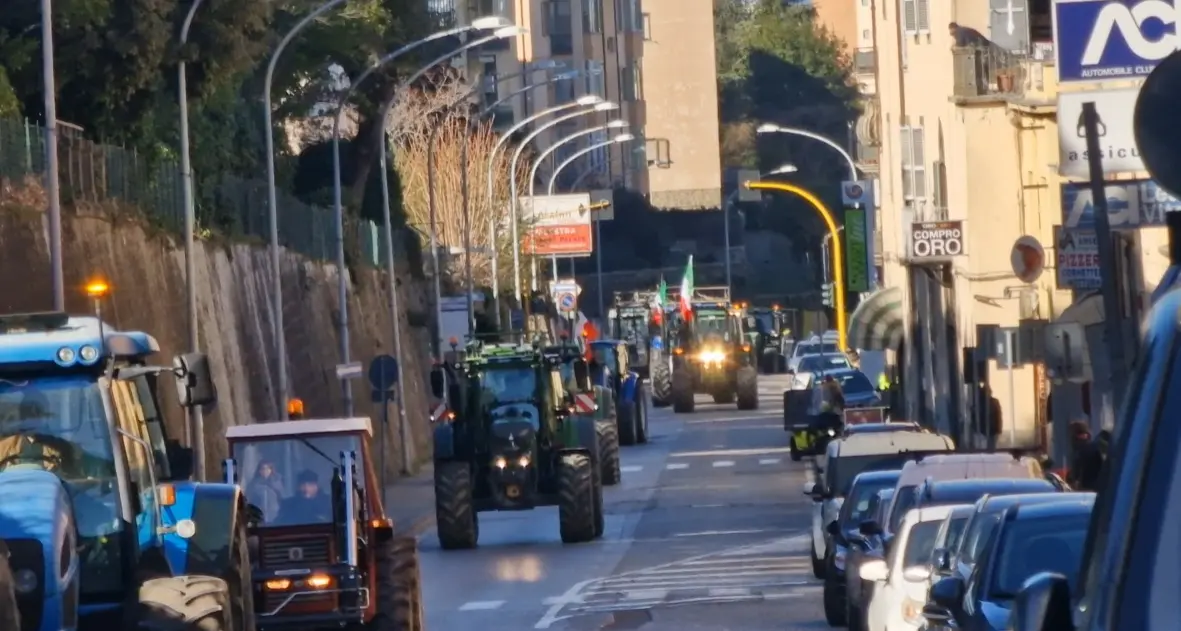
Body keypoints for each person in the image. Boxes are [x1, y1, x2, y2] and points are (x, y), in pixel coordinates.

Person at [0, 390, 69, 472]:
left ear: (45, 416)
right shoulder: (5, 447)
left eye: (38, 412)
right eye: (28, 412)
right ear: (22, 415)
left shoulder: (60, 448)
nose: (32, 418)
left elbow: (76, 476)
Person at [976, 385, 1003, 451]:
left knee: (989, 449)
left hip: (990, 431)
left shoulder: (993, 402)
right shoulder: (981, 403)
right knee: (988, 450)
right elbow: (999, 416)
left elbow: (998, 416)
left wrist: (998, 430)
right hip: (984, 432)